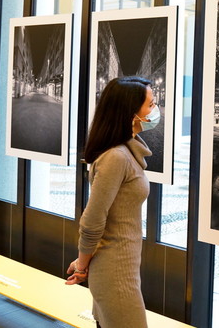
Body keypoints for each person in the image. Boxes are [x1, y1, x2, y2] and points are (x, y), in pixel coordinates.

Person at [66, 76, 158, 328]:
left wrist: (84, 262)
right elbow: (93, 219)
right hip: (115, 273)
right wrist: (82, 265)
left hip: (122, 268)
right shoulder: (116, 157)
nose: (155, 110)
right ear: (130, 112)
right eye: (150, 104)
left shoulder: (127, 152)